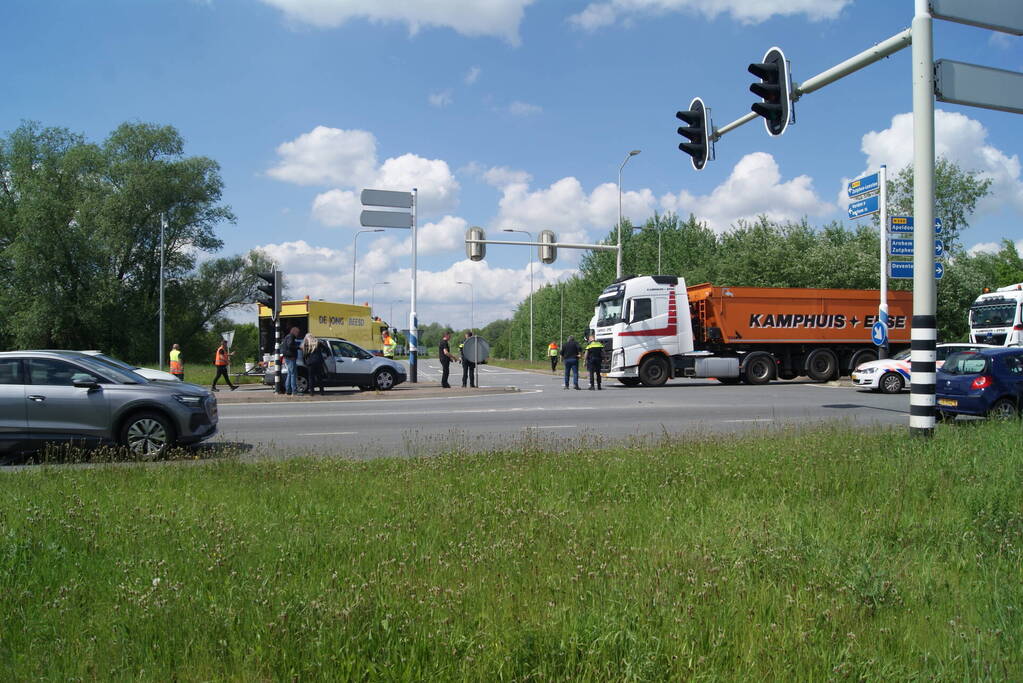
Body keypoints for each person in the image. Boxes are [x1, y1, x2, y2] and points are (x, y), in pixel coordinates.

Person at [281, 326, 300, 396]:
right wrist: (298, 347)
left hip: (287, 357)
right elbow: (290, 345)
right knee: (293, 374)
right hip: (291, 358)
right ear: (295, 332)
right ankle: (294, 391)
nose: (298, 334)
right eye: (298, 333)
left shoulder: (287, 337)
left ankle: (288, 391)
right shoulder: (291, 337)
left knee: (289, 374)